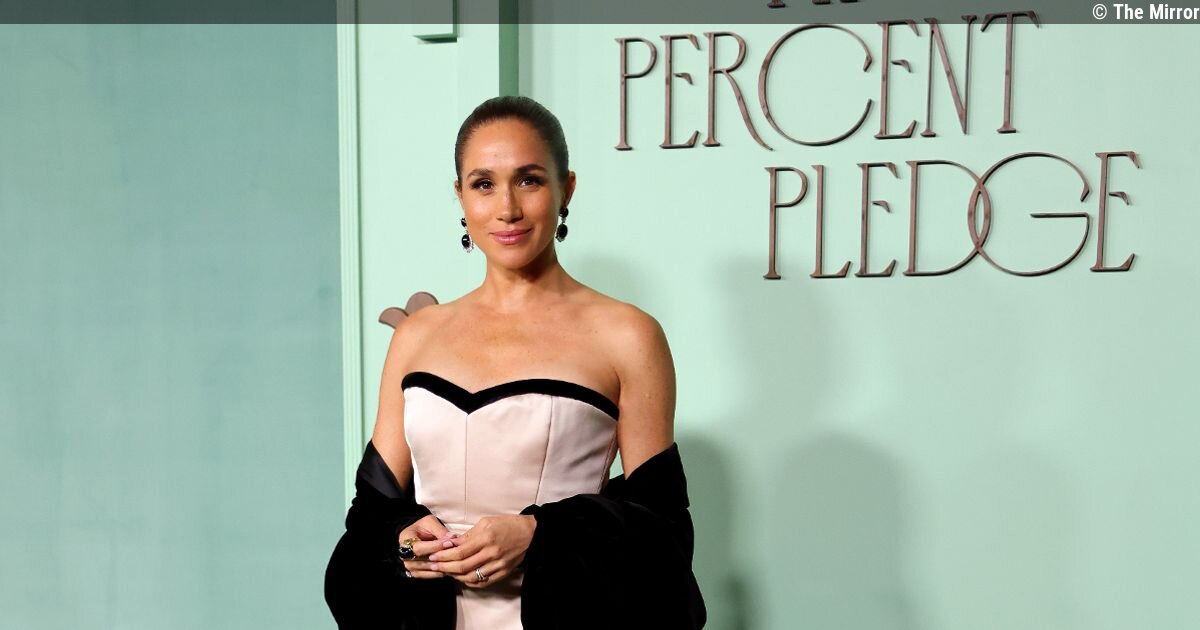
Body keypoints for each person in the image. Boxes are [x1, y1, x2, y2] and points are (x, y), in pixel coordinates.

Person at [324, 95, 705, 629]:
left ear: (567, 188)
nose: (507, 208)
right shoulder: (415, 337)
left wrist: (538, 535)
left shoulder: (628, 335)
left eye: (529, 180)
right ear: (460, 195)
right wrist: (404, 541)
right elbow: (372, 513)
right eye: (483, 184)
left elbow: (661, 530)